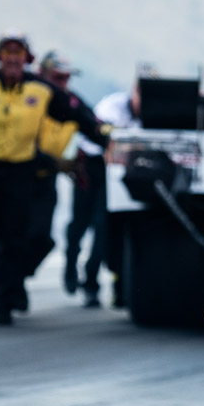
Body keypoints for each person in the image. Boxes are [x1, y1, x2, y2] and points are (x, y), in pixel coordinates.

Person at [0, 32, 108, 326]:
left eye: (18, 55)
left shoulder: (42, 91)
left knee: (13, 239)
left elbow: (83, 118)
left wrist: (106, 138)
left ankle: (3, 302)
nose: (13, 60)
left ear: (27, 60)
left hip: (19, 175)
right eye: (7, 54)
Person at [65, 83, 141, 307]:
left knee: (102, 226)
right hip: (90, 165)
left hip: (113, 170)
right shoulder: (113, 106)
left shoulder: (147, 115)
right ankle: (71, 262)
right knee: (79, 222)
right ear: (135, 92)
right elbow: (105, 136)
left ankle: (90, 283)